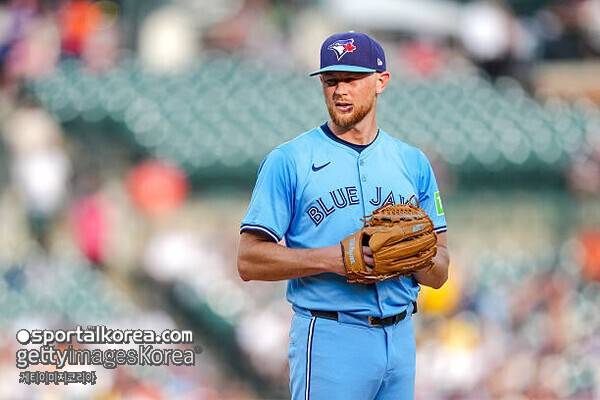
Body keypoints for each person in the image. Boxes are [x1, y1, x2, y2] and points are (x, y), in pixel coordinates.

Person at [237, 31, 449, 400]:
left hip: (400, 338)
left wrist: (416, 257)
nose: (340, 91)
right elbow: (248, 260)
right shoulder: (289, 160)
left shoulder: (413, 162)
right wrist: (334, 259)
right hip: (331, 337)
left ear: (381, 81)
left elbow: (441, 271)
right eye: (331, 81)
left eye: (352, 79)